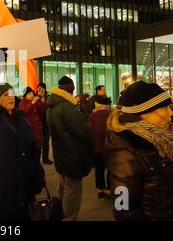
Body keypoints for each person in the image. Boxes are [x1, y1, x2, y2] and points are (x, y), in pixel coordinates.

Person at [0, 49, 45, 221]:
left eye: (12, 93)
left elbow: (33, 149)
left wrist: (38, 174)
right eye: (4, 94)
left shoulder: (21, 119)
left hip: (23, 186)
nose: (10, 97)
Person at [105, 81, 173, 220]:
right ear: (143, 113)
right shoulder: (125, 153)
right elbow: (122, 209)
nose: (170, 113)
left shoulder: (164, 137)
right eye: (164, 108)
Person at [46, 76, 94, 221]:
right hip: (73, 155)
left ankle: (60, 214)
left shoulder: (52, 106)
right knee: (73, 190)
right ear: (70, 89)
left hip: (60, 153)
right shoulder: (67, 107)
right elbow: (84, 131)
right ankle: (69, 218)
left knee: (63, 186)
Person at [88, 96, 112, 198]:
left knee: (99, 169)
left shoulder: (92, 116)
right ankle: (110, 188)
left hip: (96, 146)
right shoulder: (112, 115)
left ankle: (100, 189)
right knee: (111, 169)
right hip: (109, 147)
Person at [19, 87, 46, 162]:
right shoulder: (22, 103)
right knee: (30, 155)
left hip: (38, 132)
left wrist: (43, 101)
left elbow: (43, 111)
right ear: (25, 95)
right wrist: (33, 102)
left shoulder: (35, 102)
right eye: (29, 94)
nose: (32, 95)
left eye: (32, 94)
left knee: (38, 153)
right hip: (29, 133)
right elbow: (24, 111)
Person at [37, 83, 53, 165]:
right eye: (38, 88)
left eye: (40, 88)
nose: (38, 89)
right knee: (38, 142)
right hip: (38, 123)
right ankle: (37, 158)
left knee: (46, 141)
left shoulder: (48, 97)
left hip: (46, 122)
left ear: (44, 89)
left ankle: (45, 158)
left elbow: (50, 107)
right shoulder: (35, 97)